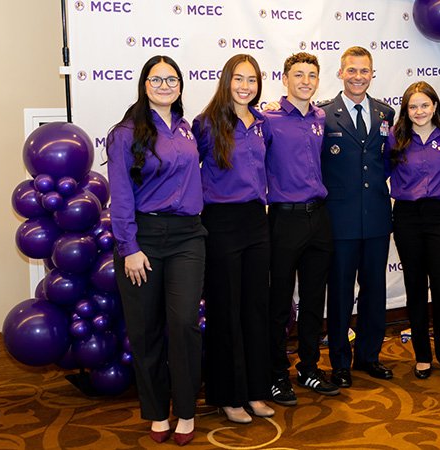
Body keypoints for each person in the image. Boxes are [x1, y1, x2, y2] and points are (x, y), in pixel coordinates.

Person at [108, 55, 205, 446]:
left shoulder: (187, 128)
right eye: (157, 79)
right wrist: (129, 247)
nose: (165, 85)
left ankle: (186, 410)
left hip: (188, 237)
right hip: (142, 239)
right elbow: (121, 195)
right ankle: (156, 412)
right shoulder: (125, 133)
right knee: (145, 330)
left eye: (172, 79)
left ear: (180, 85)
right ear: (144, 85)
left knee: (183, 324)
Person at [192, 54, 274, 424]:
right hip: (221, 222)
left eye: (251, 80)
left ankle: (256, 390)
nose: (245, 86)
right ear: (226, 81)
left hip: (256, 220)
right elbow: (186, 170)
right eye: (239, 78)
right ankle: (228, 395)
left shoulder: (261, 123)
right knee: (226, 312)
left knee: (255, 309)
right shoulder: (206, 123)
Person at [264, 52, 340, 407]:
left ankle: (309, 368)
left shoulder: (320, 117)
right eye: (298, 74)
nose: (305, 81)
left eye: (311, 75)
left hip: (318, 218)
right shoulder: (267, 119)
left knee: (313, 300)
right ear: (284, 79)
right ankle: (276, 374)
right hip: (284, 219)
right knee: (279, 302)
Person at [320, 46, 396, 387]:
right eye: (351, 70)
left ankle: (369, 356)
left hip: (376, 217)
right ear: (340, 73)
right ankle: (340, 362)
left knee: (374, 292)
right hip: (339, 220)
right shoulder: (324, 115)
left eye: (364, 71)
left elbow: (387, 162)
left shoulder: (385, 113)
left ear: (372, 74)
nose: (358, 77)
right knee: (339, 294)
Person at [386, 81, 440, 380]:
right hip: (407, 216)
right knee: (415, 287)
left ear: (435, 106)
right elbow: (383, 170)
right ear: (406, 110)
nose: (419, 111)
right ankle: (422, 355)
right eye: (413, 106)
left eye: (425, 105)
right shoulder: (395, 137)